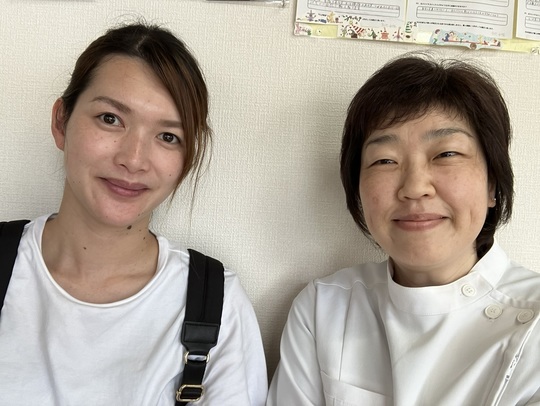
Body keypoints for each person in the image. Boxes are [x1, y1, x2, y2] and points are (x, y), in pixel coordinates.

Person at [0, 22, 267, 405]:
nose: (134, 159)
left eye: (168, 136)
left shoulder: (219, 306)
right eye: (110, 118)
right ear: (61, 122)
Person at [267, 54, 540, 405]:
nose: (414, 187)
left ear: (492, 184)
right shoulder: (324, 308)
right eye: (385, 160)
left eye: (446, 154)